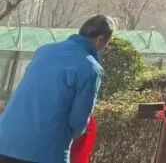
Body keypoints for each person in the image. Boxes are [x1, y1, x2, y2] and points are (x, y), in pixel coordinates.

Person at [0, 15, 113, 163]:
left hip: (5, 140)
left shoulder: (43, 51)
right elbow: (78, 122)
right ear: (100, 39)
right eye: (107, 43)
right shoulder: (90, 68)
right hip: (45, 149)